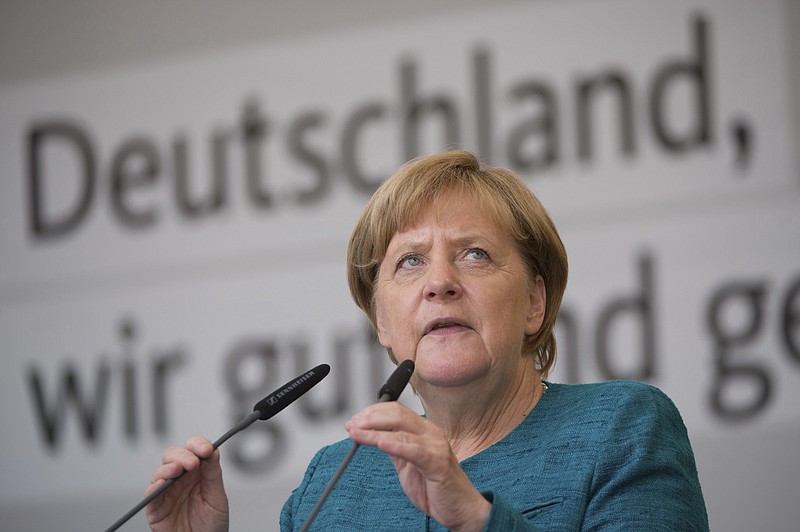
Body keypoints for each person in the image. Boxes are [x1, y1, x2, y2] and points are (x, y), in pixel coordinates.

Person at [145, 150, 708, 531]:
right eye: (410, 262)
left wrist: (474, 519)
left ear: (535, 301)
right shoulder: (332, 480)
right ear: (382, 324)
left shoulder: (623, 427)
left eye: (474, 254)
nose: (440, 282)